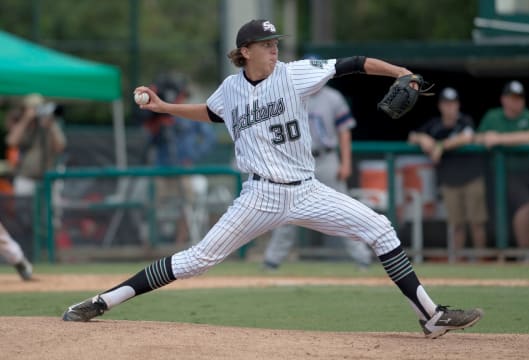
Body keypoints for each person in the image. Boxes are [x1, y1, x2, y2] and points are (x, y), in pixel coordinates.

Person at [61, 19, 483, 338]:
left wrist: (398, 72)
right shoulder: (230, 88)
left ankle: (431, 316)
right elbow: (211, 113)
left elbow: (351, 64)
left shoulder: (293, 74)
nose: (273, 50)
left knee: (379, 227)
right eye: (265, 45)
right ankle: (102, 301)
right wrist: (164, 108)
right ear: (245, 51)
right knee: (197, 260)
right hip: (259, 195)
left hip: (308, 191)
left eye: (275, 43)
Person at [262, 81, 372, 270]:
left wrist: (345, 162)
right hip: (297, 161)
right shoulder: (289, 96)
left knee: (342, 209)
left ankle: (362, 257)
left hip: (326, 157)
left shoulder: (333, 97)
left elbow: (344, 131)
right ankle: (272, 261)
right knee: (288, 210)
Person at [408, 87, 488, 261]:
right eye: (446, 104)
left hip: (472, 178)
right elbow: (412, 136)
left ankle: (482, 262)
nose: (450, 107)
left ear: (458, 105)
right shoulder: (434, 125)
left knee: (476, 223)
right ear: (441, 106)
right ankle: (457, 263)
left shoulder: (465, 121)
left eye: (453, 104)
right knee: (456, 225)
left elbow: (467, 137)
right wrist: (423, 139)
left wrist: (440, 146)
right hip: (450, 182)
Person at [141, 73, 217, 244]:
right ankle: (153, 243)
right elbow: (149, 139)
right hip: (162, 168)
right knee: (154, 203)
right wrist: (158, 123)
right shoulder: (159, 114)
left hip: (184, 168)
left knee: (188, 204)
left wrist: (192, 156)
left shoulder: (189, 112)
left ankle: (180, 241)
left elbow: (209, 138)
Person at [475, 80, 529, 255]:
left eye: (519, 98)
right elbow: (477, 138)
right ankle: (524, 255)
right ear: (504, 99)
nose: (516, 101)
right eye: (512, 98)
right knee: (525, 207)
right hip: (506, 174)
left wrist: (500, 139)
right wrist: (487, 138)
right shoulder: (492, 116)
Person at [5, 93, 66, 196]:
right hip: (26, 178)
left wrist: (51, 124)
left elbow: (61, 146)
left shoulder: (47, 125)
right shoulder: (22, 125)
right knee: (23, 210)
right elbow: (11, 142)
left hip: (47, 179)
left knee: (48, 211)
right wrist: (26, 119)